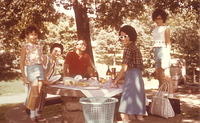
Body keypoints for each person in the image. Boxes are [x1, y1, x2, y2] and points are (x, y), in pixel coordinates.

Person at [112, 25, 146, 122]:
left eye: (125, 36)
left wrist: (116, 80)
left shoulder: (128, 48)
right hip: (138, 78)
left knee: (124, 109)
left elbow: (124, 67)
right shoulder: (135, 47)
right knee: (139, 111)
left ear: (131, 36)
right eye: (121, 37)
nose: (123, 39)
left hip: (132, 77)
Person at [20, 25, 46, 121]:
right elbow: (22, 62)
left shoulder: (39, 46)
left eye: (35, 34)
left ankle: (34, 112)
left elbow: (42, 61)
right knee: (34, 92)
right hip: (31, 69)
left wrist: (44, 74)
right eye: (32, 34)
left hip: (40, 68)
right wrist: (24, 76)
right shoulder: (25, 47)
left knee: (38, 93)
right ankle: (31, 112)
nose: (34, 36)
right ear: (27, 35)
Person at [37, 43, 64, 116]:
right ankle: (36, 115)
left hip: (46, 81)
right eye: (55, 51)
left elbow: (52, 74)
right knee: (38, 97)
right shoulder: (46, 58)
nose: (57, 53)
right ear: (51, 51)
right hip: (40, 81)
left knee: (42, 98)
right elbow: (40, 70)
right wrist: (45, 82)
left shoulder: (56, 61)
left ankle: (38, 114)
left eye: (59, 51)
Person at [152, 9, 174, 96]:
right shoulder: (154, 29)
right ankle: (161, 93)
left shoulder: (166, 28)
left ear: (163, 18)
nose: (158, 20)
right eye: (156, 18)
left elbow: (168, 42)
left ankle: (171, 95)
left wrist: (167, 54)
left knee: (166, 74)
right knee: (159, 74)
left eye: (160, 18)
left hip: (163, 50)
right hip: (156, 50)